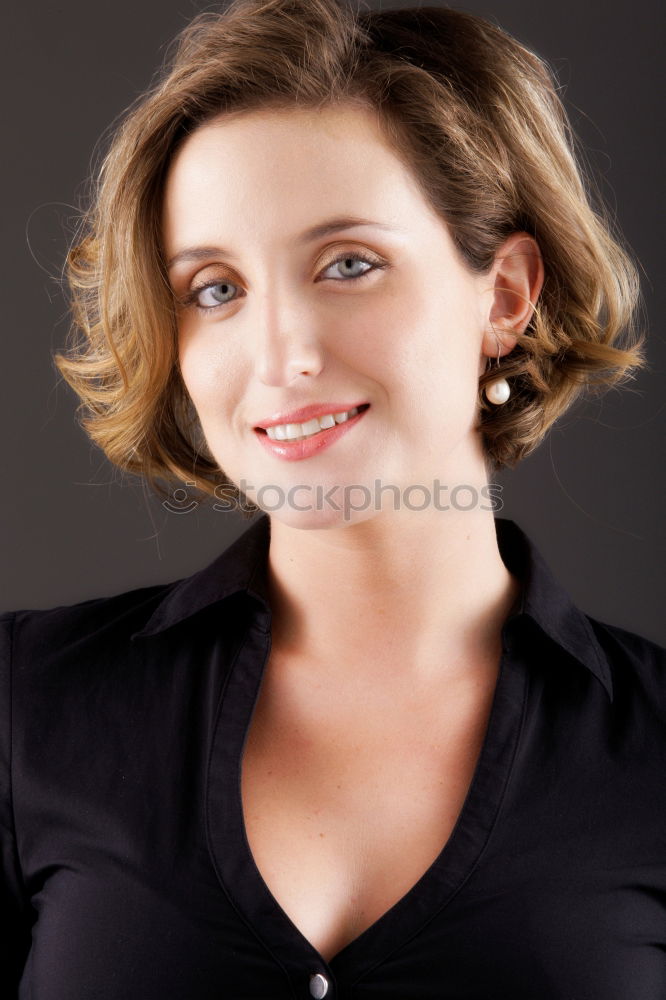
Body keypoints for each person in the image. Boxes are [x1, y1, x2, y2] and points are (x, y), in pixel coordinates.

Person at [2, 0, 664, 996]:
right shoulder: (25, 710)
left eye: (348, 264)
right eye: (216, 289)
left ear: (506, 295)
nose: (282, 356)